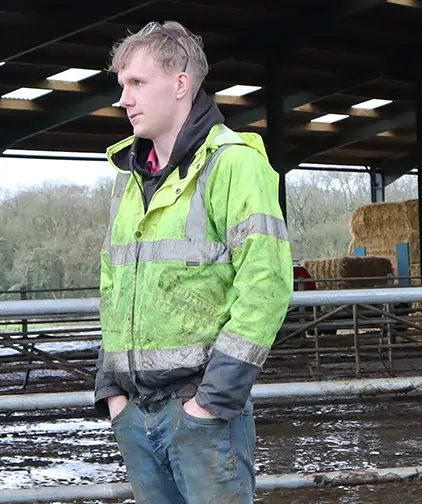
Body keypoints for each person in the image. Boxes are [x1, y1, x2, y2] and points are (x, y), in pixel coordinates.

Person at [93, 21, 294, 503]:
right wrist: (112, 393)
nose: (124, 99)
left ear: (181, 84)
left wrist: (212, 403)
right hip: (136, 413)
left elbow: (266, 287)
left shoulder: (234, 164)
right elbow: (112, 283)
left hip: (200, 410)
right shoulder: (130, 177)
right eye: (122, 85)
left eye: (137, 83)